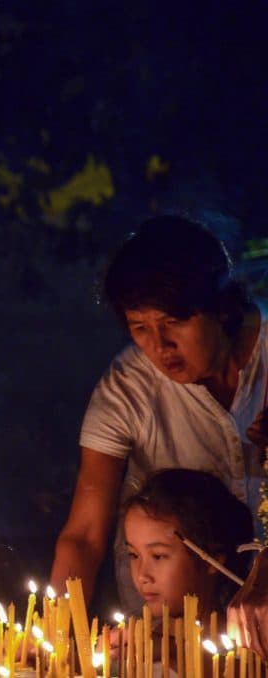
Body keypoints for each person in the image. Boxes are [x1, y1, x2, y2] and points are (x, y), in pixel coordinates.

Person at [49, 215, 266, 615]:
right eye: (139, 327)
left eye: (174, 322)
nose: (159, 345)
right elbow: (84, 534)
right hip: (165, 629)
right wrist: (58, 631)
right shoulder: (127, 388)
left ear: (221, 309)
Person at [123, 469, 252, 621]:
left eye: (158, 556)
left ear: (213, 559)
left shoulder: (245, 643)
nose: (142, 576)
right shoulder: (129, 642)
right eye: (134, 554)